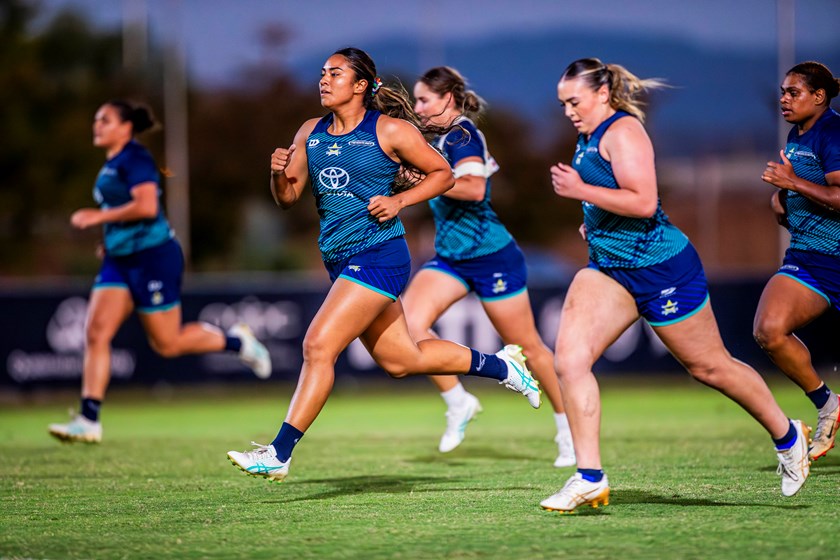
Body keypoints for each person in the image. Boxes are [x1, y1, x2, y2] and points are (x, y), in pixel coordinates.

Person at [226, 47, 541, 482]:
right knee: (401, 361)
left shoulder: (389, 130)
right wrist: (278, 173)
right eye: (322, 73)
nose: (324, 79)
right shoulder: (309, 132)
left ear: (360, 86)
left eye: (335, 73)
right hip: (338, 257)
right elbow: (287, 199)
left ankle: (278, 453)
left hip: (379, 255)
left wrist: (399, 200)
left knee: (318, 345)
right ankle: (504, 366)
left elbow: (444, 174)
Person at [539, 58, 810, 513]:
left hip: (662, 268)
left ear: (602, 94)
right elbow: (614, 197)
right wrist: (594, 222)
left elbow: (644, 202)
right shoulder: (587, 134)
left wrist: (582, 194)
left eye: (574, 101)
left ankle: (788, 434)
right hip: (609, 268)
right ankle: (589, 477)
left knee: (710, 368)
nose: (568, 110)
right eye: (563, 103)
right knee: (569, 360)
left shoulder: (623, 132)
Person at [48, 100, 272, 444]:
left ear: (126, 128)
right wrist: (110, 240)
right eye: (96, 120)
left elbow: (147, 205)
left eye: (105, 120)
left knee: (167, 343)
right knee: (96, 332)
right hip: (119, 261)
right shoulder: (111, 164)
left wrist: (97, 218)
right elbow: (123, 209)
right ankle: (88, 419)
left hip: (154, 257)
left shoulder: (135, 158)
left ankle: (237, 342)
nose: (97, 125)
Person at [403, 66, 574, 466]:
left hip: (491, 256)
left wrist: (422, 183)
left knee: (527, 347)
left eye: (424, 99)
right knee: (409, 324)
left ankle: (568, 429)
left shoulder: (463, 136)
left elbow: (474, 187)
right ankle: (458, 400)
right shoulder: (440, 139)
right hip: (451, 257)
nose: (417, 106)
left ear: (447, 99)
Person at [754, 61, 840, 462]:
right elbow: (803, 194)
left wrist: (790, 184)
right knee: (769, 331)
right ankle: (827, 404)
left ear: (819, 97)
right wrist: (782, 203)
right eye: (783, 92)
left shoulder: (833, 132)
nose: (784, 99)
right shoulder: (796, 134)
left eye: (794, 92)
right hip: (809, 256)